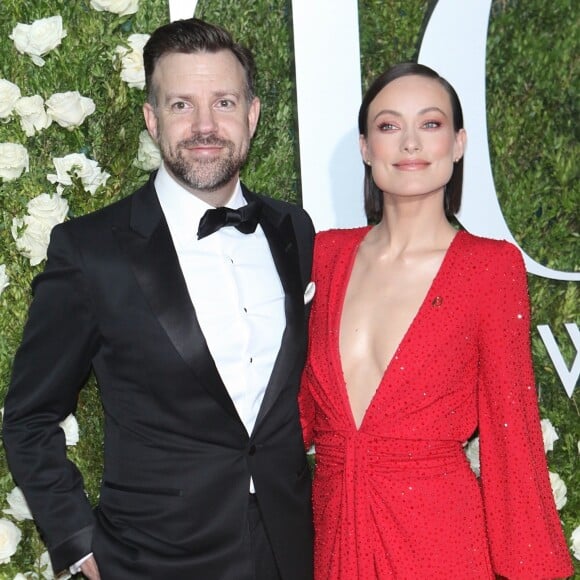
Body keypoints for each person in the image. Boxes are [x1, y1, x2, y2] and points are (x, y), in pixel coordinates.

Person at [3, 18, 314, 580]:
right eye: (179, 106)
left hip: (286, 552)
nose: (203, 125)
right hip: (150, 560)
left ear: (252, 115)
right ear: (151, 120)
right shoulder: (90, 250)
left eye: (223, 102)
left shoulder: (292, 229)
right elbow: (29, 418)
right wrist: (78, 542)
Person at [299, 62, 573, 579]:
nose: (409, 144)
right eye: (387, 126)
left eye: (430, 124)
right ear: (365, 147)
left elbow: (509, 430)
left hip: (440, 542)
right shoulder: (325, 255)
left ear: (460, 142)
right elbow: (290, 416)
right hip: (334, 539)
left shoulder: (489, 268)